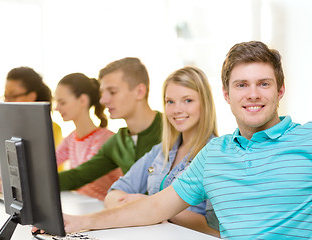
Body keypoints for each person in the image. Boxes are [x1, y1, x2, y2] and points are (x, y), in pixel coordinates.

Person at [61, 41, 312, 240]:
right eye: (241, 85)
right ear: (226, 94)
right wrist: (79, 222)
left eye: (264, 83)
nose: (253, 94)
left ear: (280, 90)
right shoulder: (214, 154)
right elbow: (155, 207)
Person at [104, 66, 219, 237]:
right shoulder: (160, 152)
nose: (177, 109)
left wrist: (153, 208)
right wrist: (139, 205)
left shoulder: (217, 154)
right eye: (170, 102)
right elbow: (114, 194)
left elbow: (216, 229)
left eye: (187, 100)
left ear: (205, 103)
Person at [58, 57, 163, 192]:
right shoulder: (117, 142)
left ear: (140, 92)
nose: (103, 100)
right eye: (102, 93)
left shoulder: (173, 130)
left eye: (112, 92)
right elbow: (78, 176)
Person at [0, 67, 62, 191]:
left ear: (31, 96)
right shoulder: (9, 129)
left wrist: (4, 174)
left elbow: (45, 173)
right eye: (5, 96)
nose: (7, 101)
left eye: (12, 96)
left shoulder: (51, 129)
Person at [54, 73, 122, 200]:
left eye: (62, 102)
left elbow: (82, 175)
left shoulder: (105, 139)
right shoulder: (71, 139)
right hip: (81, 206)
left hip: (103, 208)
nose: (57, 108)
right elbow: (51, 162)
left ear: (82, 101)